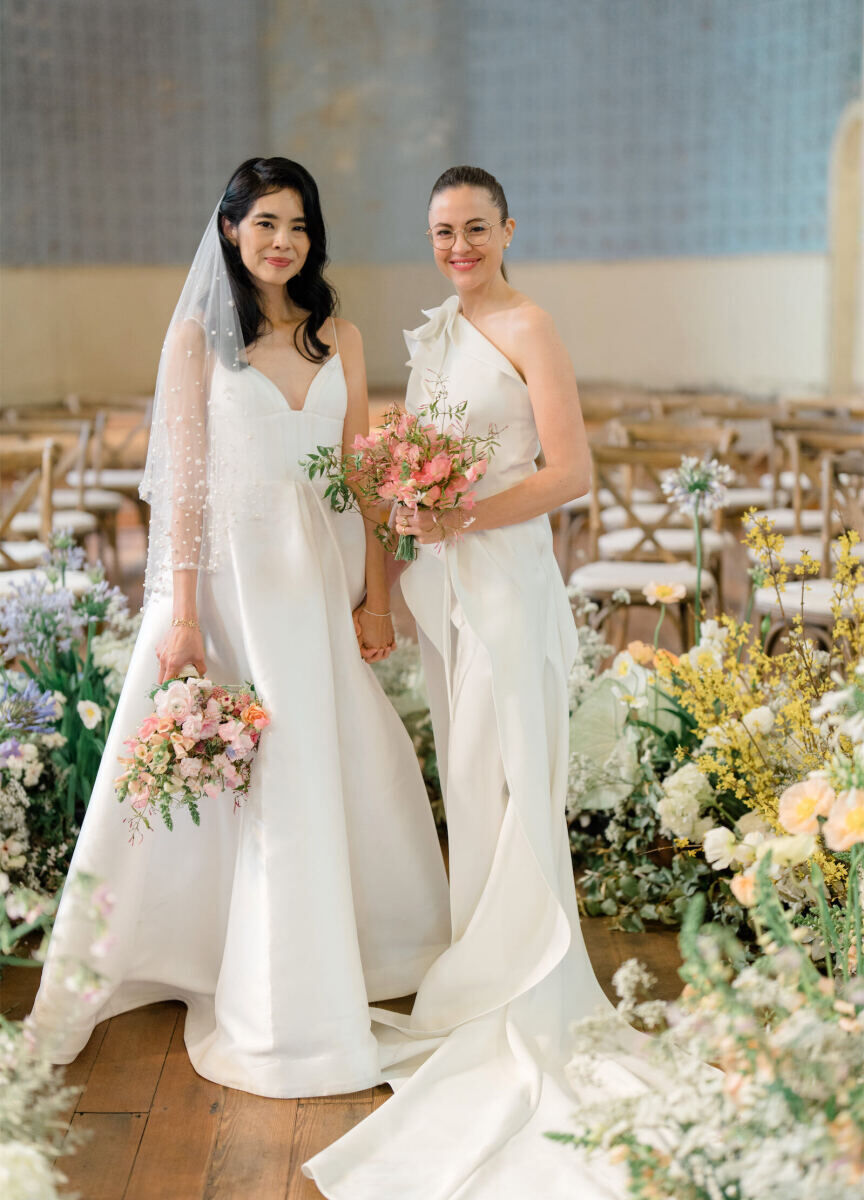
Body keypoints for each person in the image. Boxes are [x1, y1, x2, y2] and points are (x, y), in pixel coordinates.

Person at [30, 157, 450, 1099]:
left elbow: (370, 479)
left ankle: (370, 954)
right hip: (228, 589)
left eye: (297, 225)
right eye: (264, 223)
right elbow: (181, 491)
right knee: (234, 775)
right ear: (229, 230)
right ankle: (218, 962)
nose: (282, 242)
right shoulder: (196, 340)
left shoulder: (338, 336)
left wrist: (377, 596)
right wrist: (180, 618)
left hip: (320, 579)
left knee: (332, 757)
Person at [304, 165, 648, 1197]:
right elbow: (415, 461)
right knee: (470, 774)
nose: (456, 246)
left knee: (512, 768)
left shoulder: (528, 325)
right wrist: (408, 522)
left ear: (508, 229)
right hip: (449, 590)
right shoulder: (438, 334)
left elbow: (569, 470)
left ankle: (521, 981)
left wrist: (460, 517)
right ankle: (476, 954)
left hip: (507, 583)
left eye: (473, 229)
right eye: (441, 231)